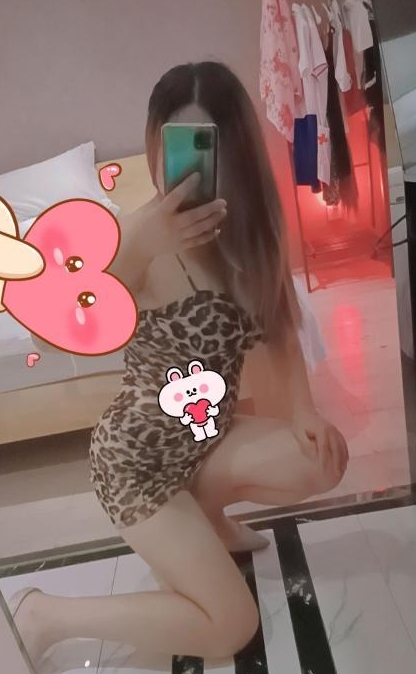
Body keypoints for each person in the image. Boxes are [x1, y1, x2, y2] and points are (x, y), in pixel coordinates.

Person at [10, 61, 348, 669]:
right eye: (176, 147)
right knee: (231, 627)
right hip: (137, 465)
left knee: (322, 457)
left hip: (206, 439)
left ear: (235, 150)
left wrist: (305, 410)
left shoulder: (253, 237)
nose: (189, 168)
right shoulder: (134, 236)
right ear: (155, 145)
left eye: (207, 144)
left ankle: (207, 521)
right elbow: (61, 328)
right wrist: (136, 249)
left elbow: (281, 331)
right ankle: (45, 614)